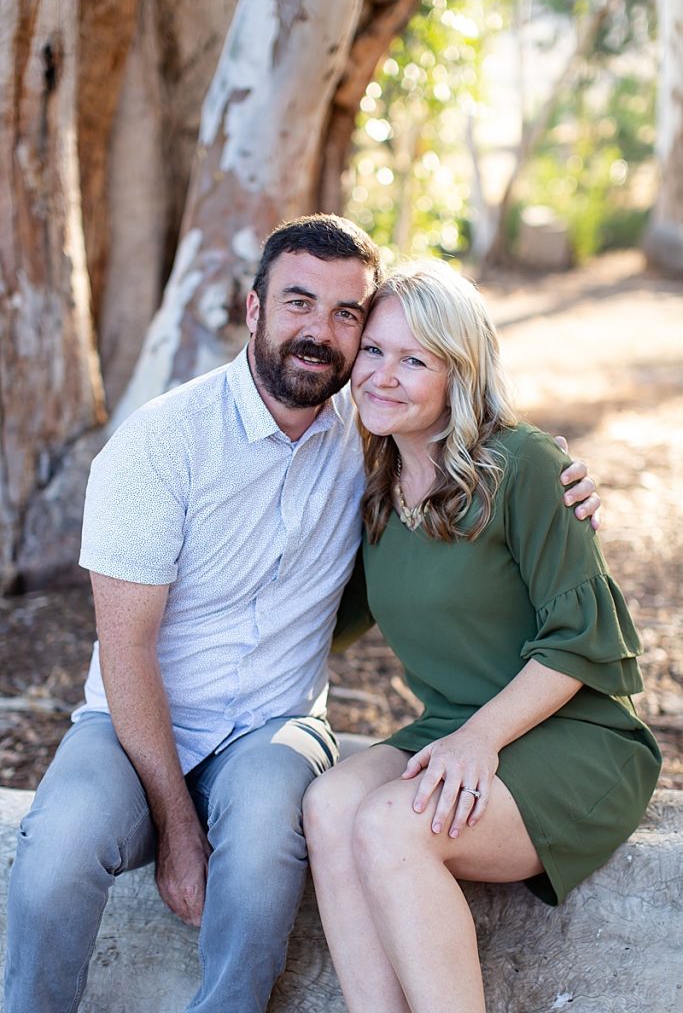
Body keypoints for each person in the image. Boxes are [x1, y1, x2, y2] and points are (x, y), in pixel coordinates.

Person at [4, 217, 600, 1013]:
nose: (319, 333)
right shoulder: (160, 445)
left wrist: (568, 483)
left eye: (346, 314)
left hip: (270, 726)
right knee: (54, 853)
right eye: (297, 303)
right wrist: (179, 831)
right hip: (136, 720)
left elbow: (471, 445)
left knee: (258, 857)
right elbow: (126, 650)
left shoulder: (370, 436)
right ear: (253, 311)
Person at [303, 259, 662, 1013]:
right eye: (373, 350)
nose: (382, 375)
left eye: (414, 359)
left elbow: (578, 638)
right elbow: (314, 624)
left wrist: (479, 742)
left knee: (394, 825)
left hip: (569, 735)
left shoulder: (524, 466)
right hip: (453, 726)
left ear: (457, 375)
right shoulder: (374, 490)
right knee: (331, 804)